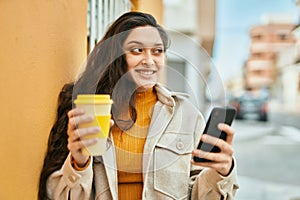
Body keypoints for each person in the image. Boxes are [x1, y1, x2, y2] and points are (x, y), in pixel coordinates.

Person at [38, 11, 239, 200]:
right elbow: (56, 195)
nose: (149, 60)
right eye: (137, 50)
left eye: (157, 51)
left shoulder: (185, 113)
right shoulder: (89, 109)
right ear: (116, 57)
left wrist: (221, 172)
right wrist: (79, 163)